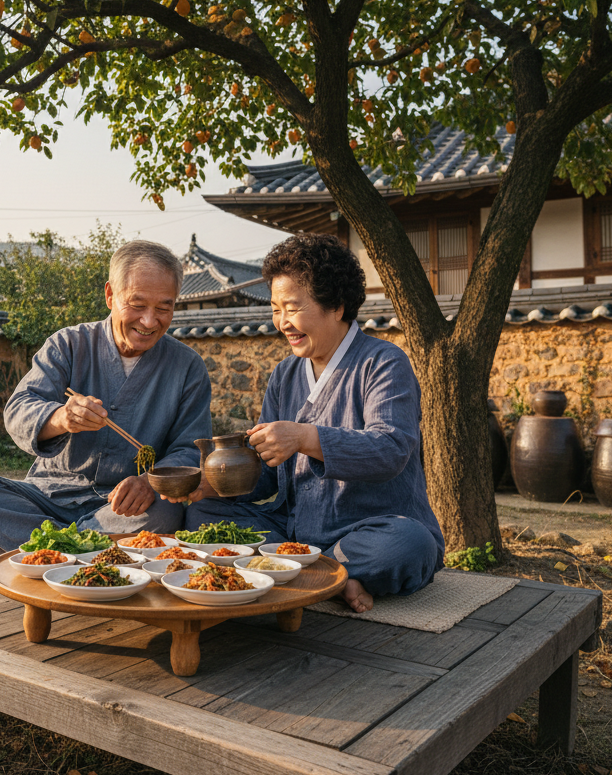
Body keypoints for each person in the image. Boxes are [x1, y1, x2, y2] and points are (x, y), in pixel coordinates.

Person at [179, 234, 443, 613]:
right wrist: (215, 486)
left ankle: (297, 572)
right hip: (292, 531)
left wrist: (305, 436)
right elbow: (266, 474)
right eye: (274, 309)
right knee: (202, 515)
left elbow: (391, 449)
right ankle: (330, 577)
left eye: (292, 308)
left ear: (336, 305)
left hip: (369, 530)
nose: (282, 323)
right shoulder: (285, 374)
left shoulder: (384, 363)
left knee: (411, 544)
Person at [0, 240, 211, 562]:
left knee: (165, 513)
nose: (150, 321)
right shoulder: (68, 344)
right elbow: (19, 408)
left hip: (121, 506)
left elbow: (190, 447)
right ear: (111, 295)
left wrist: (148, 482)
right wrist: (60, 418)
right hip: (47, 493)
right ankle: (79, 547)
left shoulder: (187, 366)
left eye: (164, 308)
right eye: (137, 305)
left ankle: (28, 544)